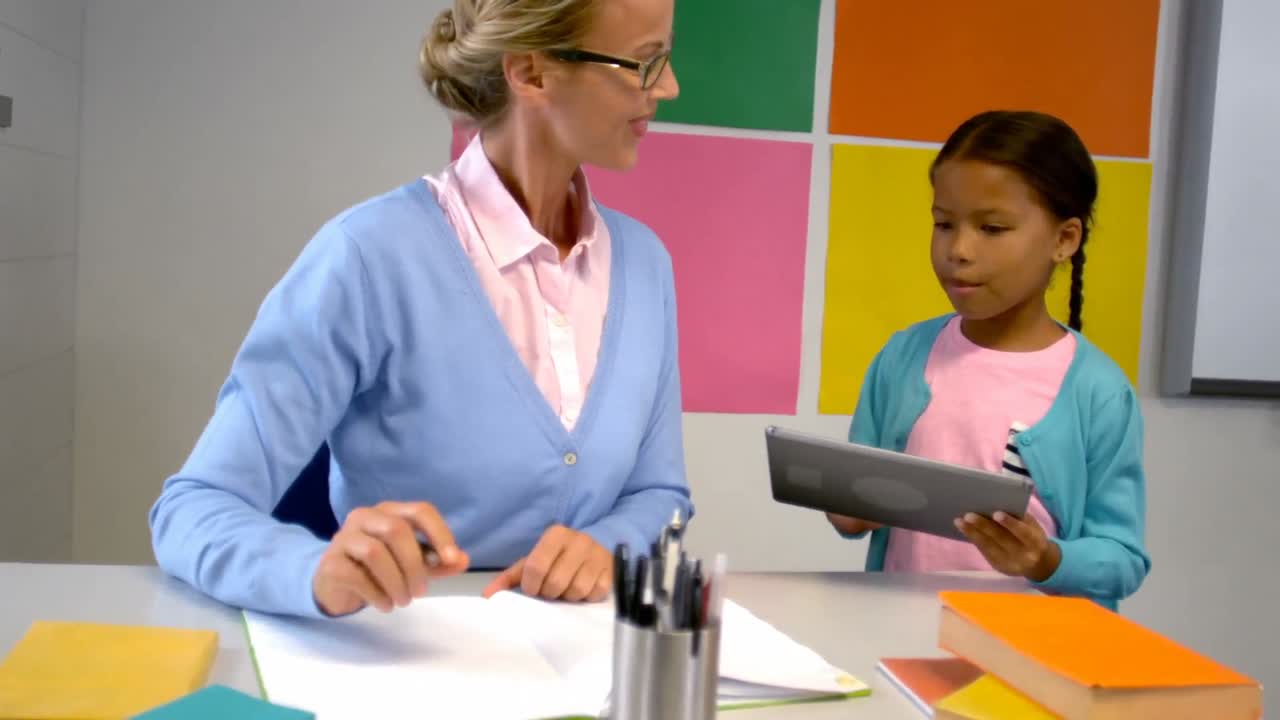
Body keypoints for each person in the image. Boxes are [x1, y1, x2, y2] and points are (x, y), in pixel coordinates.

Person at [149, 0, 689, 619]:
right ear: (532, 73)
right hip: (408, 665)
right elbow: (193, 506)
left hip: (597, 675)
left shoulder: (646, 265)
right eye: (643, 63)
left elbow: (658, 490)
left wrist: (604, 545)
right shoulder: (367, 256)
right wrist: (316, 571)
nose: (668, 87)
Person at [826, 110, 1150, 609]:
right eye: (943, 223)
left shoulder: (1098, 391)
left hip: (1032, 657)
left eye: (992, 228)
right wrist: (849, 509)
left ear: (1064, 239)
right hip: (900, 636)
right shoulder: (903, 356)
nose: (959, 249)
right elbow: (854, 508)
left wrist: (1048, 561)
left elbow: (1122, 559)